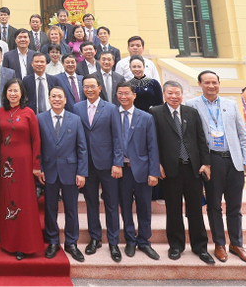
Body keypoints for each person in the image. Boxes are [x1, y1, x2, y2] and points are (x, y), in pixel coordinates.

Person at [186, 71, 246, 266]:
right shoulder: (191, 105)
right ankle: (219, 243)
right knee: (214, 205)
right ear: (199, 84)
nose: (211, 86)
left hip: (233, 160)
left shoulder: (230, 104)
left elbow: (243, 135)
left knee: (235, 206)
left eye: (214, 82)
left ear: (219, 83)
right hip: (212, 161)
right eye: (207, 82)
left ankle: (237, 244)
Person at [150, 81, 213, 265]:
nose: (174, 96)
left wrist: (206, 163)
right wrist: (156, 164)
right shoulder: (155, 113)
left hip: (193, 168)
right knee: (173, 209)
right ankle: (176, 246)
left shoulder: (191, 112)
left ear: (182, 94)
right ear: (164, 94)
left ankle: (200, 247)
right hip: (170, 170)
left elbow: (201, 139)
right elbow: (152, 141)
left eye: (177, 93)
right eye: (170, 93)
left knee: (195, 209)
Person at [74, 75, 123, 262]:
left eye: (92, 86)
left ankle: (113, 242)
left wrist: (117, 163)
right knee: (91, 203)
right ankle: (95, 238)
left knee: (111, 204)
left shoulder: (111, 108)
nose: (89, 89)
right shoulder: (77, 108)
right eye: (86, 86)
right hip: (87, 165)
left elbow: (117, 137)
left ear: (99, 88)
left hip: (108, 164)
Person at [0, 78, 45, 260]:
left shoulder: (29, 113)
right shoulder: (0, 112)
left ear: (22, 93)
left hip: (24, 162)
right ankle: (9, 242)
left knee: (24, 202)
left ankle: (24, 244)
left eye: (16, 90)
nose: (13, 94)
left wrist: (36, 165)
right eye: (10, 90)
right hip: (5, 164)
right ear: (5, 93)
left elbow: (36, 140)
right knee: (8, 200)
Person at [37, 86, 87, 262]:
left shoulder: (75, 119)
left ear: (65, 100)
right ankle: (53, 241)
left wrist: (82, 172)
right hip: (49, 171)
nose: (57, 99)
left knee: (71, 209)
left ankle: (71, 242)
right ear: (49, 99)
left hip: (70, 171)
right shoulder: (40, 118)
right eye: (53, 96)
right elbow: (37, 147)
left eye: (60, 96)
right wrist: (39, 168)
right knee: (50, 209)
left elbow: (82, 147)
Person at [115, 81, 160, 260]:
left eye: (127, 93)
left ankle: (144, 241)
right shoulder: (112, 115)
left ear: (134, 95)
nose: (123, 96)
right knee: (125, 207)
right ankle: (130, 240)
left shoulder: (146, 117)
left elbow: (152, 146)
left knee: (144, 207)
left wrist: (154, 172)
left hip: (142, 169)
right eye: (120, 93)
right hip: (122, 171)